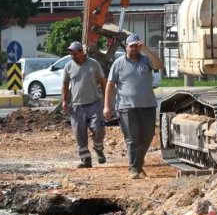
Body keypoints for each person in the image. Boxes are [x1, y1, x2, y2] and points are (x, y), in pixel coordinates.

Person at [104, 34, 163, 179]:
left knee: (148, 136)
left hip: (148, 105)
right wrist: (107, 106)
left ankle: (138, 165)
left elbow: (159, 65)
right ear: (127, 46)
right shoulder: (118, 63)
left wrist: (147, 49)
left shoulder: (146, 60)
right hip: (126, 107)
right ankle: (134, 168)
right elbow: (110, 85)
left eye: (137, 46)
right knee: (132, 138)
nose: (135, 49)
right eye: (132, 46)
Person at [62, 41, 107, 168]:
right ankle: (85, 160)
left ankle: (98, 148)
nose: (73, 56)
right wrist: (65, 101)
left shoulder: (94, 64)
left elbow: (103, 82)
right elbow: (65, 85)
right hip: (76, 106)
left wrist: (106, 100)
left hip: (94, 104)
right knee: (79, 134)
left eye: (75, 53)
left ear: (82, 52)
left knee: (99, 129)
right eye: (71, 53)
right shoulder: (68, 66)